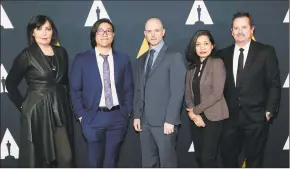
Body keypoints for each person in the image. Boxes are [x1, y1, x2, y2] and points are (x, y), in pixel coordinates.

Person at [5, 15, 74, 167]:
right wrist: (24, 106)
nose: (44, 33)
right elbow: (10, 84)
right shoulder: (27, 55)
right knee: (39, 159)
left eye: (48, 29)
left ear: (52, 32)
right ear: (32, 33)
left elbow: (65, 82)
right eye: (39, 29)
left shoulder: (61, 52)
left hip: (59, 111)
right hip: (36, 113)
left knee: (66, 158)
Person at [218, 12, 281, 167]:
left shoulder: (266, 52)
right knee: (228, 161)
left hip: (256, 119)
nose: (240, 31)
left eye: (244, 27)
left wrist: (268, 112)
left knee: (255, 162)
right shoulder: (221, 55)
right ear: (231, 31)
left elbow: (274, 84)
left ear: (252, 29)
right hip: (228, 120)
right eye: (236, 28)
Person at [69, 18, 133, 168]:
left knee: (111, 162)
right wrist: (81, 115)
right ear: (94, 35)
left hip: (117, 117)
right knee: (94, 162)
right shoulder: (82, 59)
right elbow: (75, 89)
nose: (105, 34)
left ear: (113, 35)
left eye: (108, 31)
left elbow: (128, 88)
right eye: (100, 31)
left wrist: (127, 112)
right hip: (92, 117)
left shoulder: (123, 59)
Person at [133, 18, 186, 167]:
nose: (153, 34)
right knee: (148, 163)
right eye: (149, 31)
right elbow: (139, 89)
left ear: (163, 32)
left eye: (156, 30)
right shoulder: (142, 59)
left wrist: (170, 119)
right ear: (145, 34)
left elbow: (178, 91)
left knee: (167, 163)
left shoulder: (174, 56)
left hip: (165, 123)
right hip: (145, 123)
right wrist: (137, 115)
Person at [185, 30, 229, 168]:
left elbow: (217, 94)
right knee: (199, 157)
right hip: (196, 118)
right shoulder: (191, 68)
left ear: (212, 45)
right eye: (198, 44)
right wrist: (193, 115)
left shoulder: (217, 63)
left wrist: (194, 111)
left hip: (213, 117)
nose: (202, 47)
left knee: (208, 158)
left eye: (206, 43)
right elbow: (187, 94)